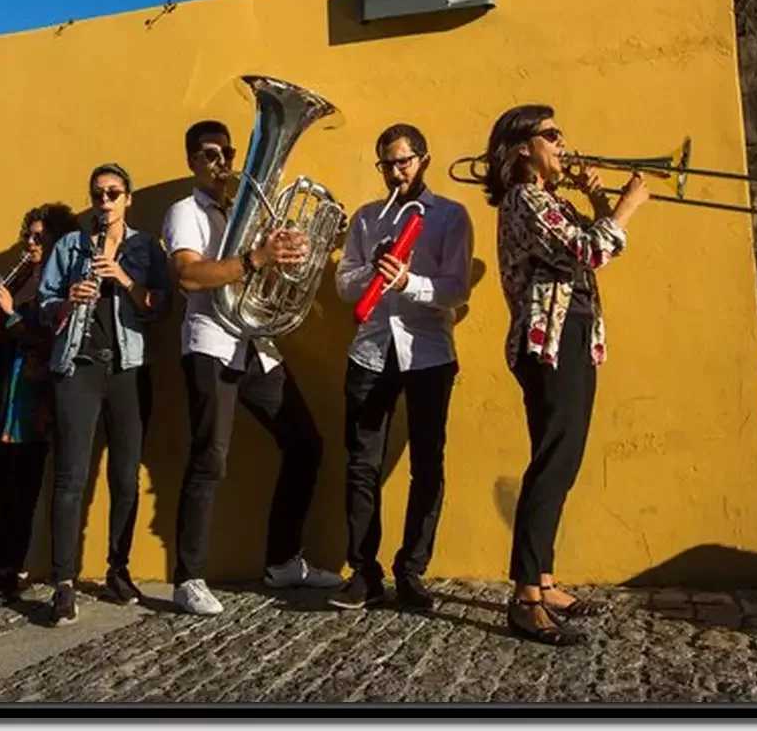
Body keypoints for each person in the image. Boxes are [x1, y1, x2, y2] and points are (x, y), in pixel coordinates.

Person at [482, 105, 649, 645]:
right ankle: (526, 598)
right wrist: (627, 206)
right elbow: (591, 249)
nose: (562, 142)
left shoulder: (550, 200)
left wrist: (600, 200)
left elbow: (595, 242)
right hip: (550, 342)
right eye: (551, 134)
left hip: (571, 336)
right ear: (522, 147)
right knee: (554, 463)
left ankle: (545, 580)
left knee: (560, 460)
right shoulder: (524, 199)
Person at [162, 119, 340, 618]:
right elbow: (189, 276)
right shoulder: (184, 212)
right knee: (210, 459)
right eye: (209, 154)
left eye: (227, 152)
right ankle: (188, 578)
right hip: (212, 343)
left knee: (306, 443)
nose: (221, 162)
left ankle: (282, 562)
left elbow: (266, 267)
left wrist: (293, 255)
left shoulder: (248, 212)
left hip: (255, 342)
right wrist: (257, 257)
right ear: (191, 160)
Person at [330, 124, 473, 612]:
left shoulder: (450, 216)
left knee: (427, 464)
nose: (395, 172)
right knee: (361, 465)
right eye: (387, 164)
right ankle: (363, 573)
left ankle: (411, 571)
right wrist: (372, 272)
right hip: (370, 351)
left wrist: (408, 281)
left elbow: (456, 288)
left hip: (429, 352)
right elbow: (344, 284)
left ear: (423, 160)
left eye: (403, 162)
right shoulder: (367, 218)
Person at [38, 165, 170, 625]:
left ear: (128, 198)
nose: (105, 201)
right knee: (70, 478)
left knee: (125, 477)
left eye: (114, 193)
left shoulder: (145, 247)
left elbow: (161, 306)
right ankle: (63, 582)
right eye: (98, 194)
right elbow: (43, 304)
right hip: (78, 366)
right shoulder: (71, 246)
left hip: (128, 369)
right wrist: (67, 300)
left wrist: (124, 279)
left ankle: (118, 569)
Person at [0, 201, 80, 608]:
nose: (30, 244)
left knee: (20, 493)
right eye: (28, 236)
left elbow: (49, 341)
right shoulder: (17, 279)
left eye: (39, 238)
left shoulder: (61, 285)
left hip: (30, 402)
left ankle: (13, 572)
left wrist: (11, 314)